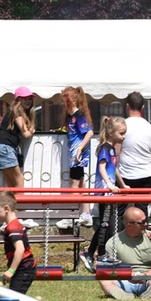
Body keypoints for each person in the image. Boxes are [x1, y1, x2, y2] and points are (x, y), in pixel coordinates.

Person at [0, 191, 53, 301]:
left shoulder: (13, 228)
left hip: (24, 269)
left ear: (6, 208)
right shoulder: (13, 225)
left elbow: (20, 249)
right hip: (24, 268)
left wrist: (11, 271)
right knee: (18, 299)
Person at [81, 116, 125, 272]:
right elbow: (102, 168)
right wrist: (109, 185)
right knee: (105, 224)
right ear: (111, 132)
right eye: (121, 133)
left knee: (108, 223)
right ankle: (95, 253)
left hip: (110, 192)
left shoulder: (112, 149)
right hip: (104, 192)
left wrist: (122, 184)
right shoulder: (105, 148)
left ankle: (95, 253)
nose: (124, 136)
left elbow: (115, 169)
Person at [98, 207, 151, 300]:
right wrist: (129, 275)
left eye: (146, 221)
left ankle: (148, 291)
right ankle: (122, 294)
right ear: (129, 225)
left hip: (147, 279)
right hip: (123, 281)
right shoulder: (113, 242)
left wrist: (146, 276)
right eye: (142, 222)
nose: (145, 224)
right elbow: (110, 269)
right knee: (104, 280)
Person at [116, 92, 151, 220]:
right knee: (142, 214)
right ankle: (141, 238)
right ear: (143, 107)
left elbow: (116, 155)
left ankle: (117, 238)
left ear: (127, 106)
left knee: (119, 213)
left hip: (124, 175)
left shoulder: (122, 127)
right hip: (145, 175)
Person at [60, 86, 94, 228]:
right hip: (75, 153)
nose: (63, 102)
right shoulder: (71, 116)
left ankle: (72, 216)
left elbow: (90, 132)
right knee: (80, 183)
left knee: (74, 184)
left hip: (77, 155)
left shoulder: (79, 115)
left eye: (65, 99)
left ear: (72, 99)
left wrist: (79, 149)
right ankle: (85, 214)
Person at [0, 87, 36, 188]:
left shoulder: (13, 110)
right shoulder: (17, 111)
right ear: (18, 100)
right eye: (25, 98)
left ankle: (11, 203)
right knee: (19, 181)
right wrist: (32, 129)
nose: (28, 101)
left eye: (29, 98)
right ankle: (20, 204)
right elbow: (26, 134)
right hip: (5, 148)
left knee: (12, 185)